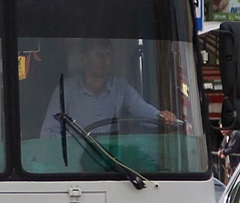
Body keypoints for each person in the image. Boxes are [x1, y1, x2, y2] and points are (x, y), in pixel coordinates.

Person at [39, 40, 177, 137]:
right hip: (73, 168)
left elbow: (142, 111)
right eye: (99, 55)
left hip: (112, 165)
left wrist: (163, 118)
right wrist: (73, 145)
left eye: (108, 54)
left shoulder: (120, 87)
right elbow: (48, 132)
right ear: (84, 58)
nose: (106, 61)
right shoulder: (66, 90)